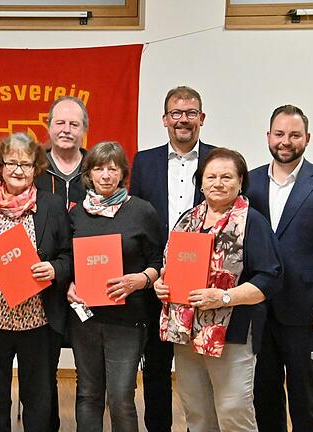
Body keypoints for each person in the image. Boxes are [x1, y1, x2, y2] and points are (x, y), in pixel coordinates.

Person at [153, 148, 282, 432]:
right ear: (201, 182)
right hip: (186, 333)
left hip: (232, 332)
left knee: (232, 410)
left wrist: (224, 297)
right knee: (197, 412)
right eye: (211, 176)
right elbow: (169, 267)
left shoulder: (252, 222)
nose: (218, 183)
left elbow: (269, 279)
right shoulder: (188, 219)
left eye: (226, 177)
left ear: (240, 182)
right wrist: (161, 286)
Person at [250, 105, 313, 432]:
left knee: (305, 397)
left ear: (307, 139)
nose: (286, 141)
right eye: (279, 134)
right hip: (258, 309)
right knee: (263, 396)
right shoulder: (247, 182)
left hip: (308, 313)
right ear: (268, 136)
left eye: (294, 135)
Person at [0, 132, 73, 432]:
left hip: (37, 323)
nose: (17, 170)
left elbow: (69, 255)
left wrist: (53, 269)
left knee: (39, 401)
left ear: (36, 168)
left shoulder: (52, 206)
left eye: (25, 164)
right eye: (11, 162)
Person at [128, 85, 215, 432]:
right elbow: (134, 218)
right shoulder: (144, 161)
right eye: (176, 113)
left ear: (202, 119)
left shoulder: (216, 160)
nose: (183, 120)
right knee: (156, 367)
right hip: (156, 281)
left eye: (191, 113)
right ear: (165, 119)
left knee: (204, 365)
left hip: (204, 281)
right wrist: (151, 273)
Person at [67, 141, 162, 432]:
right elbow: (67, 259)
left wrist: (140, 280)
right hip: (86, 319)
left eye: (112, 168)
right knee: (88, 393)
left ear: (122, 173)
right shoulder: (76, 214)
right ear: (89, 174)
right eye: (99, 168)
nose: (106, 175)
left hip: (128, 319)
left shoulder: (142, 211)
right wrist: (68, 285)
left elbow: (159, 261)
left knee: (121, 396)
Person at [34, 96, 88, 209]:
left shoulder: (95, 168)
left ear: (84, 129)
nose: (66, 130)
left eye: (74, 124)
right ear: (49, 127)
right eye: (60, 123)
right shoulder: (33, 168)